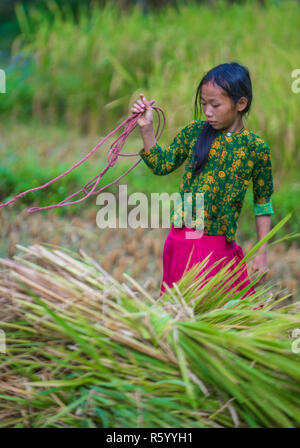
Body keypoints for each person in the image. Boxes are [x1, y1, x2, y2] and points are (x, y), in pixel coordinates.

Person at [132, 62, 274, 299]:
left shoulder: (256, 148)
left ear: (241, 104)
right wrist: (146, 129)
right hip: (182, 241)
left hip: (218, 246)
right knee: (181, 318)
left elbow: (263, 203)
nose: (207, 111)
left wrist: (261, 253)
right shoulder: (194, 132)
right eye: (204, 104)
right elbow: (161, 164)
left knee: (225, 322)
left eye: (215, 105)